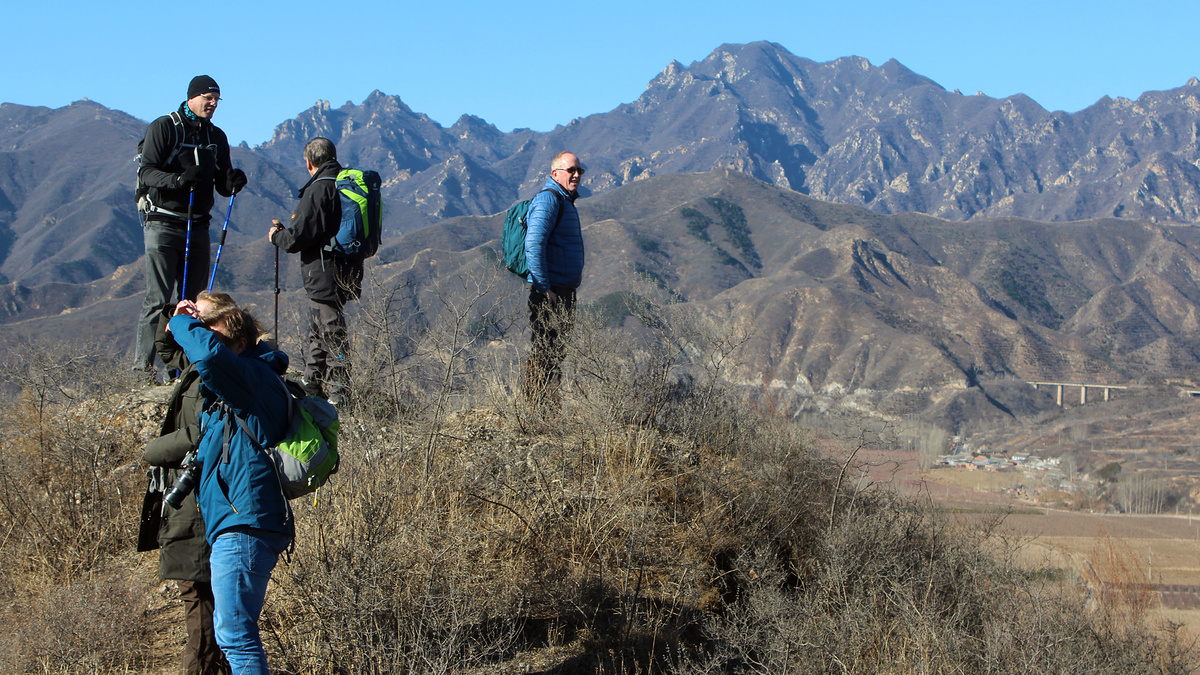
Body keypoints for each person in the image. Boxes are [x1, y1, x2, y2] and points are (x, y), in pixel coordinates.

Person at [167, 297, 292, 673]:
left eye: (215, 338)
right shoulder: (235, 392)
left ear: (239, 344)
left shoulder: (250, 378)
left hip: (244, 523)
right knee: (233, 635)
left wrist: (180, 323)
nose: (206, 345)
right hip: (240, 520)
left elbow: (207, 358)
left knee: (236, 636)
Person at [138, 292, 237, 675]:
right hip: (194, 503)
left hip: (197, 505)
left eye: (201, 318)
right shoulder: (201, 364)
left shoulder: (217, 369)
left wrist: (154, 450)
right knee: (206, 610)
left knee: (201, 613)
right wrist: (174, 322)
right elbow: (169, 353)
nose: (192, 322)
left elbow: (202, 431)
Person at [133, 75, 248, 374]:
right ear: (192, 97)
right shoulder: (164, 127)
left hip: (197, 225)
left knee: (196, 303)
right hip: (163, 222)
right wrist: (178, 180)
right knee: (159, 299)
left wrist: (232, 181)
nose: (213, 104)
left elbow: (222, 183)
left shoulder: (216, 137)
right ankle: (142, 371)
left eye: (217, 100)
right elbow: (147, 172)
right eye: (209, 98)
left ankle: (185, 369)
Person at [268, 137, 362, 405]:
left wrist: (277, 236)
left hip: (323, 271)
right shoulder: (346, 185)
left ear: (309, 163)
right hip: (347, 269)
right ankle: (312, 380)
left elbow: (297, 238)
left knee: (331, 331)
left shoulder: (319, 189)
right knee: (319, 327)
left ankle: (338, 394)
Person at [523, 151, 585, 405]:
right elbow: (534, 243)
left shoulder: (564, 201)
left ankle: (546, 406)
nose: (577, 175)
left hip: (561, 290)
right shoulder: (550, 201)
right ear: (555, 173)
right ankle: (537, 408)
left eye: (580, 171)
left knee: (555, 352)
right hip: (551, 292)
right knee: (546, 350)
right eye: (571, 170)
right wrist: (543, 287)